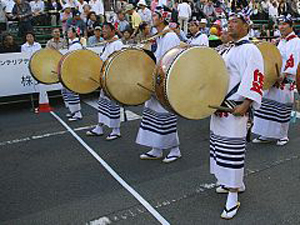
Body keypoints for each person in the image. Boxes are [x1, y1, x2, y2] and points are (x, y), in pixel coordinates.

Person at [210, 12, 264, 219]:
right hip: (219, 107)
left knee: (232, 150)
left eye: (235, 22)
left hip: (235, 107)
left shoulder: (250, 49)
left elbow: (256, 77)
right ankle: (232, 183)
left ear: (246, 27)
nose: (230, 26)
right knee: (220, 147)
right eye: (228, 22)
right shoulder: (227, 49)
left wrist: (247, 103)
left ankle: (233, 196)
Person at [136, 6, 182, 164]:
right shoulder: (160, 36)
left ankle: (175, 149)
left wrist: (161, 83)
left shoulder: (170, 37)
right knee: (153, 115)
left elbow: (169, 63)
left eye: (155, 15)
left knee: (166, 116)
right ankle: (156, 148)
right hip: (156, 81)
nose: (152, 17)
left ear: (162, 18)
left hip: (164, 83)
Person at [252, 15, 300, 146]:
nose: (281, 27)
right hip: (273, 78)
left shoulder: (296, 42)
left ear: (291, 26)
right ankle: (266, 134)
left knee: (282, 108)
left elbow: (294, 61)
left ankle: (282, 135)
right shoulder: (281, 41)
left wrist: (285, 73)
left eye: (284, 24)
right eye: (280, 25)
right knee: (266, 106)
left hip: (284, 80)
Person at [86, 22, 124, 140]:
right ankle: (100, 126)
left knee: (113, 105)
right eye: (103, 29)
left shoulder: (117, 44)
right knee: (103, 104)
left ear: (113, 31)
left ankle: (116, 130)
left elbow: (118, 62)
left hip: (112, 80)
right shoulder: (108, 44)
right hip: (105, 80)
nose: (104, 31)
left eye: (107, 29)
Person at [63, 26, 84, 121]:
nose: (67, 33)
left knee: (72, 92)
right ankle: (73, 111)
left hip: (73, 72)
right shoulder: (74, 44)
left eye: (69, 31)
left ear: (74, 33)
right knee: (67, 91)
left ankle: (77, 113)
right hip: (71, 71)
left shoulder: (76, 45)